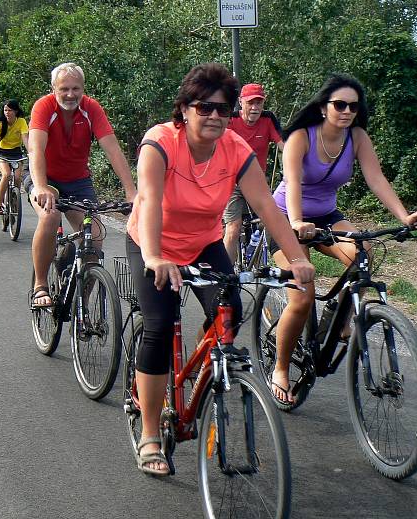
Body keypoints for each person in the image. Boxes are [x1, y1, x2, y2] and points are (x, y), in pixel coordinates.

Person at [126, 63, 315, 475]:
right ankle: (151, 432)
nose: (214, 116)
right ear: (184, 109)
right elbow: (152, 202)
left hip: (204, 243)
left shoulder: (235, 149)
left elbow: (266, 206)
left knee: (229, 307)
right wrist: (156, 256)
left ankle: (204, 364)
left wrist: (298, 259)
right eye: (204, 107)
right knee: (159, 326)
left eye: (223, 109)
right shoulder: (160, 143)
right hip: (152, 241)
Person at [269, 73, 417, 404]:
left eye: (353, 107)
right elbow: (293, 182)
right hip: (286, 217)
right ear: (324, 106)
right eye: (339, 104)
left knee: (364, 253)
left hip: (326, 216)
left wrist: (404, 217)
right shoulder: (302, 136)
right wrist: (297, 221)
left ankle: (341, 321)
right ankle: (281, 369)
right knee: (301, 295)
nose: (346, 111)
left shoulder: (357, 138)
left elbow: (376, 178)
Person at [28, 62, 136, 307]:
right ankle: (40, 285)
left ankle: (80, 303)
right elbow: (35, 149)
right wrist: (42, 186)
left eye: (76, 88)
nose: (70, 94)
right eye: (64, 88)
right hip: (47, 179)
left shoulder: (91, 108)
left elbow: (113, 150)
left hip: (78, 182)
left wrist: (131, 192)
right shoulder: (44, 107)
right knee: (50, 216)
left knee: (95, 238)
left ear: (83, 88)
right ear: (53, 88)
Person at [222, 83, 284, 263]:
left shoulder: (268, 119)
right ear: (241, 102)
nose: (255, 107)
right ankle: (225, 277)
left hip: (257, 183)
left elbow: (284, 147)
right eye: (250, 103)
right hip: (232, 182)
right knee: (233, 228)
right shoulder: (231, 121)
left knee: (268, 223)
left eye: (259, 103)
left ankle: (258, 269)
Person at [0, 99, 29, 215]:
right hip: (2, 153)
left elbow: (25, 138)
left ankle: (15, 200)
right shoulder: (0, 124)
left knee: (17, 177)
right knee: (6, 175)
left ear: (15, 111)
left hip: (16, 153)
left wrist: (31, 152)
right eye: (5, 110)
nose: (7, 112)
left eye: (10, 110)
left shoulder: (21, 122)